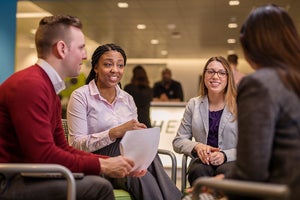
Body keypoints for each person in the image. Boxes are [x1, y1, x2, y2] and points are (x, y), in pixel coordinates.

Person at [0, 15, 143, 200]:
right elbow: (42, 156)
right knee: (98, 187)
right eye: (81, 48)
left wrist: (114, 162)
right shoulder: (31, 85)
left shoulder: (47, 88)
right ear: (61, 49)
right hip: (9, 181)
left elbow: (62, 147)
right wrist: (103, 166)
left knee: (97, 183)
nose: (85, 56)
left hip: (23, 175)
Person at [67, 43, 182, 200]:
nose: (115, 70)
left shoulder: (127, 99)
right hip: (97, 163)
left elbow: (132, 138)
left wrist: (139, 136)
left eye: (120, 65)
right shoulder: (81, 96)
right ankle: (179, 198)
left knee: (141, 174)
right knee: (125, 150)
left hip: (125, 161)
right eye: (108, 64)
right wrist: (114, 133)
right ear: (95, 68)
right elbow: (75, 144)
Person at [225, 4, 300, 200]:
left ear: (251, 46)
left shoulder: (259, 84)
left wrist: (221, 185)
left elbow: (251, 173)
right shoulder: (293, 80)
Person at [173, 56, 238, 187]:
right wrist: (197, 146)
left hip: (232, 161)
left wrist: (224, 155)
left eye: (221, 72)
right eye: (211, 71)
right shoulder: (194, 104)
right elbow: (178, 141)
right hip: (203, 162)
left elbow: (250, 146)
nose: (215, 76)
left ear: (228, 77)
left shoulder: (240, 104)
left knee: (226, 171)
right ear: (204, 75)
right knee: (198, 171)